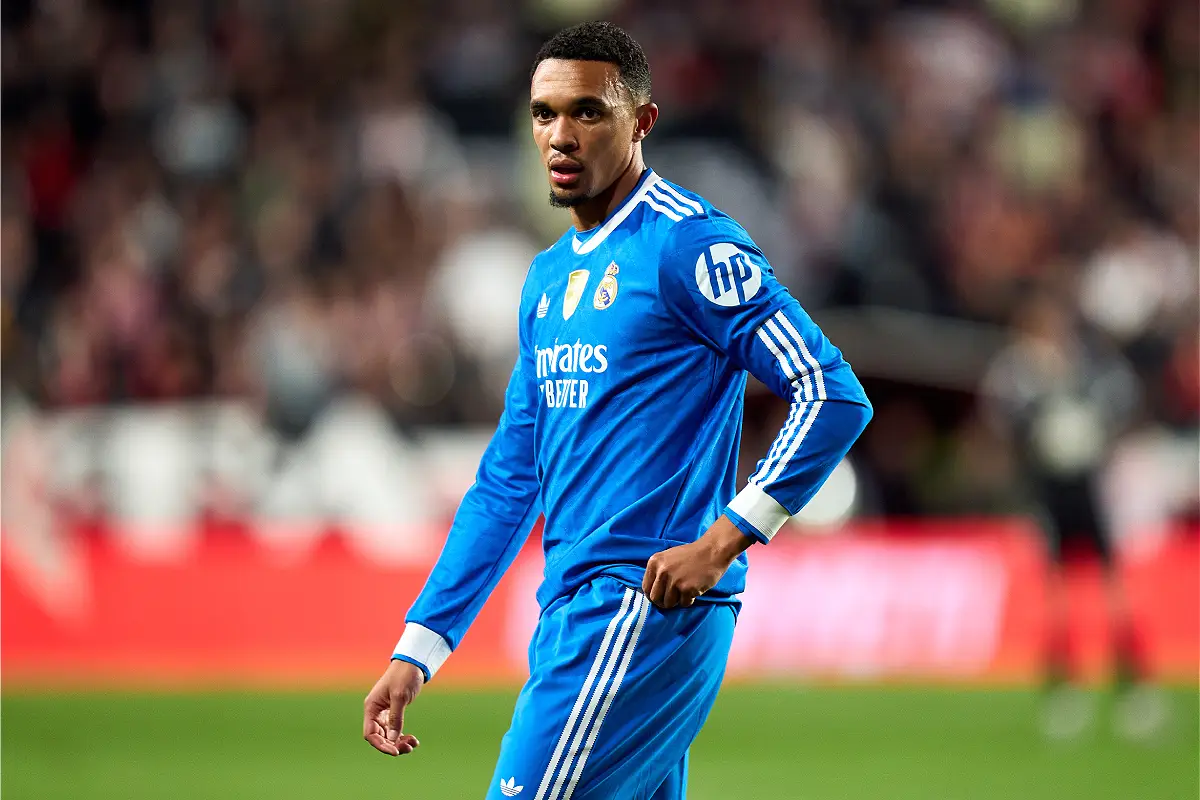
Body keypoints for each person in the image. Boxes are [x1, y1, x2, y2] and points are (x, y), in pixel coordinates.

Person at [362, 21, 872, 798]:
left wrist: (725, 538)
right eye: (544, 114)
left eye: (587, 112)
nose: (560, 136)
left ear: (642, 122)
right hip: (575, 610)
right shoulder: (545, 281)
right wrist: (420, 644)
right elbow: (509, 480)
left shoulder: (687, 247)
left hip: (635, 608)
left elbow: (831, 392)